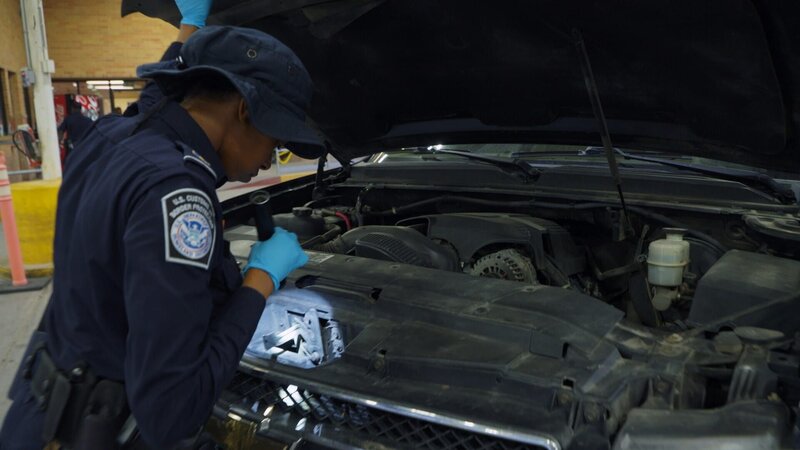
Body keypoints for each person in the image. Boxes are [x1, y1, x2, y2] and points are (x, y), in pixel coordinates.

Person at [0, 0, 323, 448]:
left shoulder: (113, 134)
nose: (274, 155)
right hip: (92, 432)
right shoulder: (178, 194)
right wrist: (259, 283)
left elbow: (159, 95)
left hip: (37, 416)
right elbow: (170, 411)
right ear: (246, 110)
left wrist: (191, 25)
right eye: (277, 135)